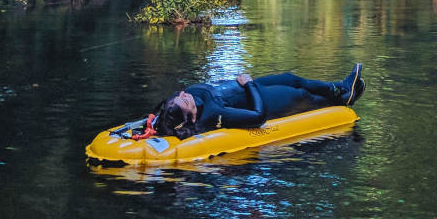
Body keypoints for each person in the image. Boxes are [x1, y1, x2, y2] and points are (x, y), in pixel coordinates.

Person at [154, 64, 364, 139]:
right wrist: (248, 85)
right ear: (190, 116)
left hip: (248, 87)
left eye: (180, 95)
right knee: (301, 96)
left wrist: (151, 126)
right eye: (183, 101)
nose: (183, 94)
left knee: (293, 79)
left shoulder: (172, 106)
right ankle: (344, 100)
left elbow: (161, 116)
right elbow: (258, 117)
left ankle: (342, 89)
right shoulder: (213, 113)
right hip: (258, 97)